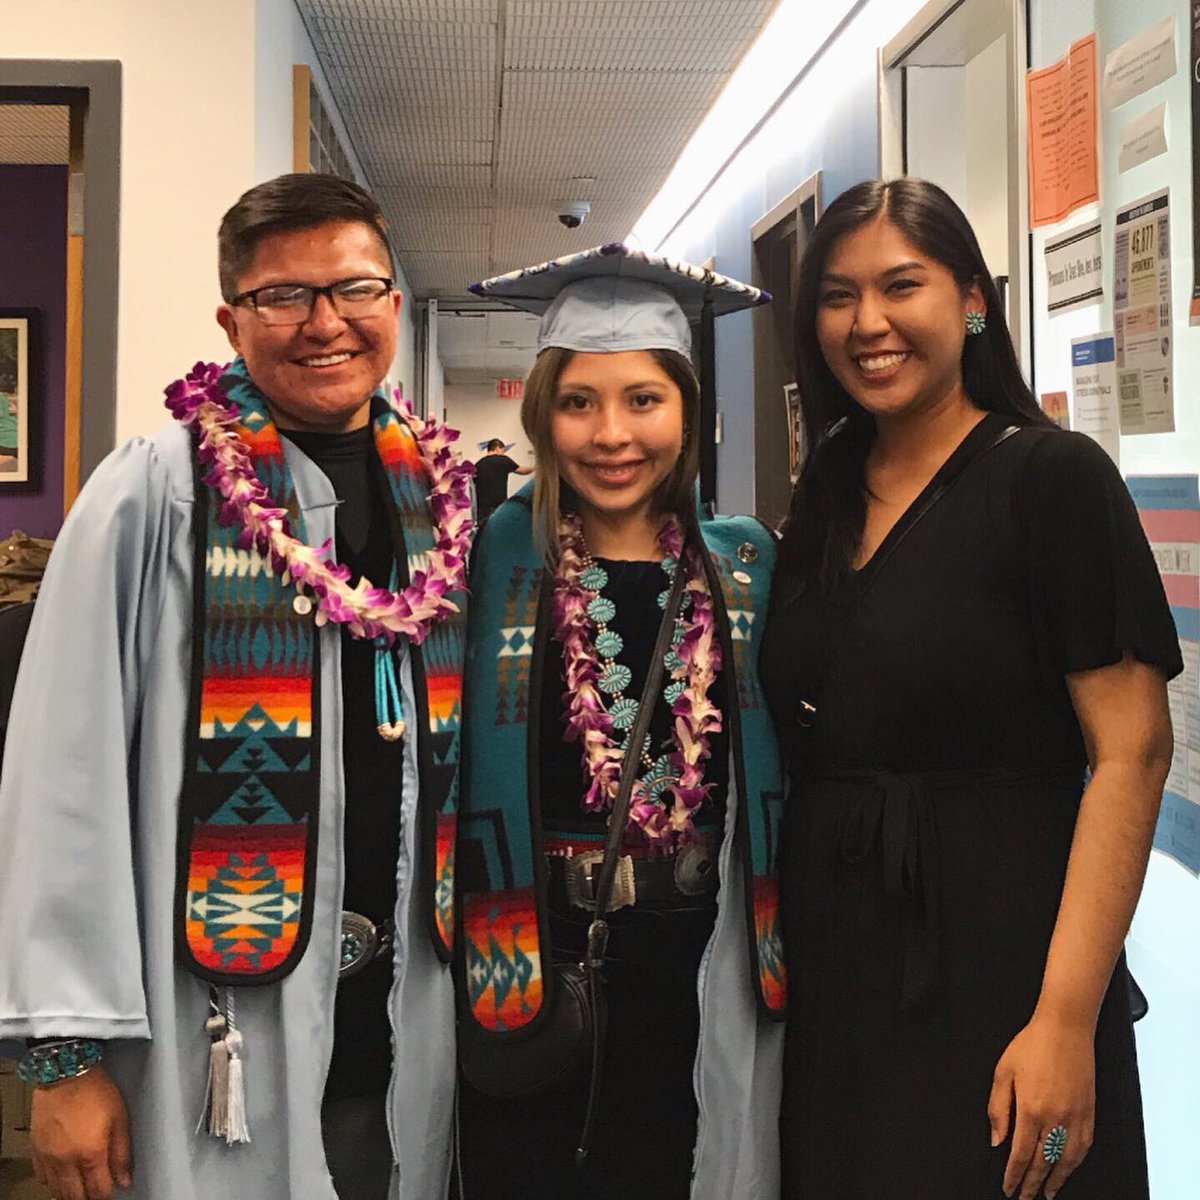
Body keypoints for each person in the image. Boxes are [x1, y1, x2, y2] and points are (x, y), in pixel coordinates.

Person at [0, 173, 472, 1200]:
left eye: (352, 289)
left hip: (399, 1004)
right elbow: (61, 775)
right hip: (216, 1007)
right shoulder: (156, 491)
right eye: (282, 297)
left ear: (393, 302)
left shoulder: (437, 504)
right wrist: (62, 1055)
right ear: (232, 318)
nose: (323, 324)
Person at [762, 178, 1178, 1200]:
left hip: (1000, 962)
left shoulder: (1050, 479)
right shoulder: (825, 489)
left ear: (974, 300)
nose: (868, 323)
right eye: (838, 295)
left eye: (901, 286)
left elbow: (1131, 753)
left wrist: (1067, 1019)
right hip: (836, 966)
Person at [455, 245, 788, 1199]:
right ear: (541, 415)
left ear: (688, 414)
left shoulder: (748, 566)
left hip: (706, 957)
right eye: (578, 402)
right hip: (537, 952)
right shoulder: (489, 566)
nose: (611, 433)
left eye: (644, 399)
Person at [473, 437, 532, 523]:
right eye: (503, 450)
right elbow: (522, 471)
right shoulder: (503, 460)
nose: (503, 453)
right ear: (497, 449)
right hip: (499, 505)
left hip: (482, 507)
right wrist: (536, 468)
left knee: (484, 531)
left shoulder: (479, 464)